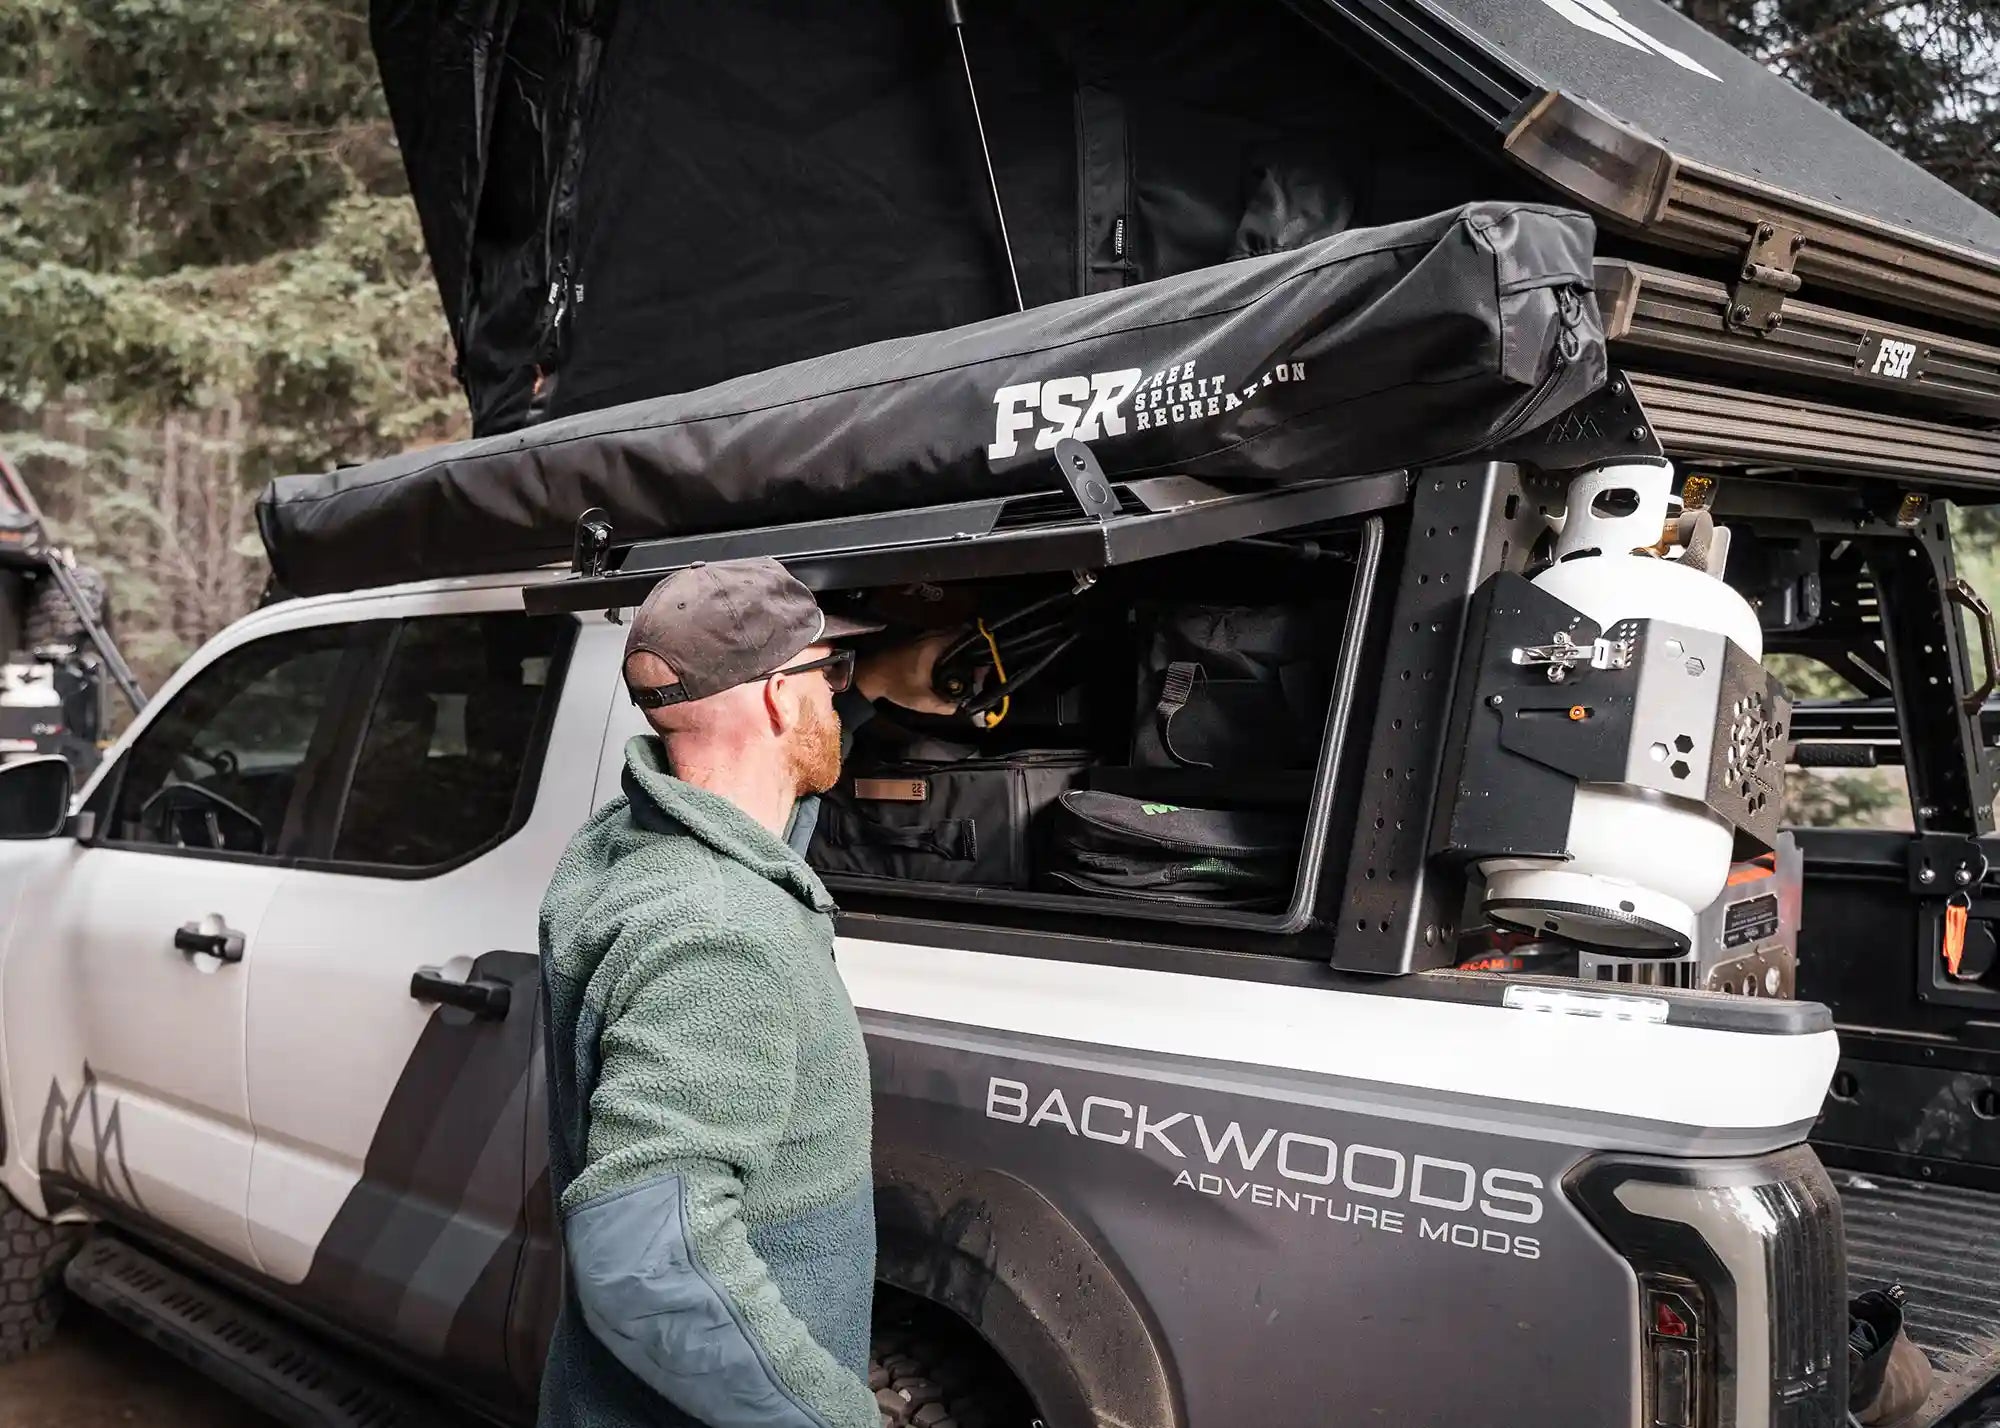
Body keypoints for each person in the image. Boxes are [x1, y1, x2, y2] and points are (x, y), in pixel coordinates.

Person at [536, 556, 955, 1428]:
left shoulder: (634, 840)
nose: (835, 697)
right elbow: (649, 1267)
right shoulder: (721, 932)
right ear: (773, 698)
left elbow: (760, 811)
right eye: (828, 677)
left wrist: (869, 684)